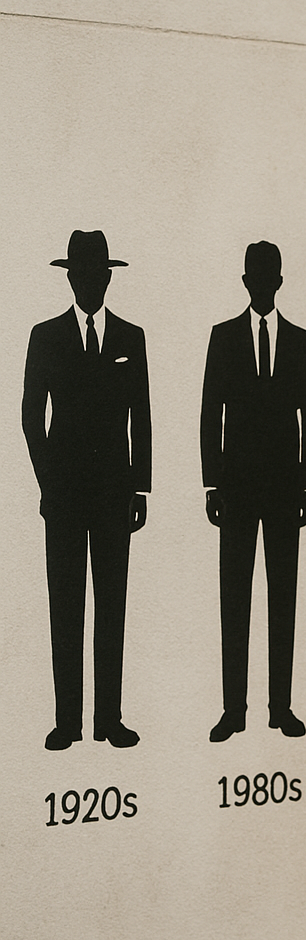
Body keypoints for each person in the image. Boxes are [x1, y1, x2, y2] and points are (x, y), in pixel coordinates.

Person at [23, 229, 151, 751]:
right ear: (70, 278)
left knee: (111, 606)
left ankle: (109, 720)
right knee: (66, 606)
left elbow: (141, 417)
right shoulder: (45, 336)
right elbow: (31, 418)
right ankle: (67, 723)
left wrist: (140, 489)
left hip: (116, 495)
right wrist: (49, 483)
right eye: (81, 274)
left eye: (99, 274)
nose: (90, 282)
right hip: (64, 497)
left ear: (108, 279)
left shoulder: (130, 337)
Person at [202, 240, 306, 741]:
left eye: (270, 277)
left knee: (282, 597)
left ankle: (280, 708)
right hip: (235, 489)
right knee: (234, 598)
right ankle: (234, 711)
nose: (263, 285)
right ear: (246, 282)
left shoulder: (300, 341)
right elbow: (211, 411)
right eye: (256, 277)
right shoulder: (223, 337)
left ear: (279, 282)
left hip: (285, 490)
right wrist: (212, 483)